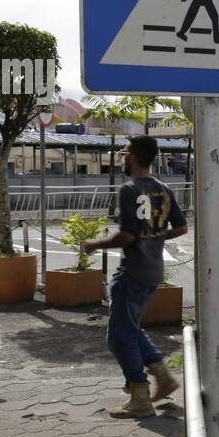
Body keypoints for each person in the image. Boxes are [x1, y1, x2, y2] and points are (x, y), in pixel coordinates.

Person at [82, 135, 187, 417]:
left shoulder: (129, 190)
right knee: (131, 327)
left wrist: (95, 244)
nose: (122, 158)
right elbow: (181, 228)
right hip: (153, 271)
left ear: (135, 157)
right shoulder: (164, 189)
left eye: (124, 153)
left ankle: (140, 396)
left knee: (118, 337)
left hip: (133, 271)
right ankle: (163, 378)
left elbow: (127, 235)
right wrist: (154, 237)